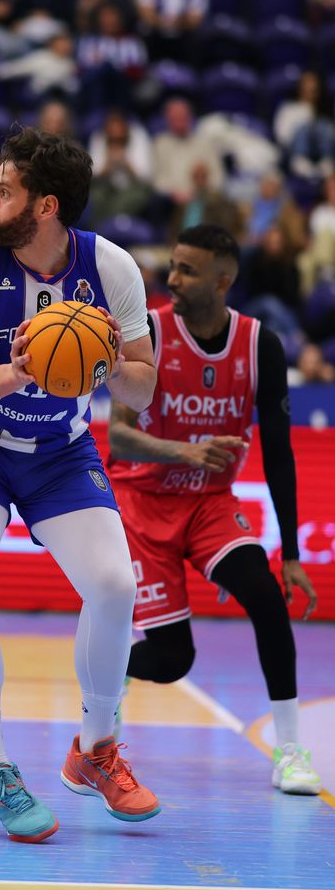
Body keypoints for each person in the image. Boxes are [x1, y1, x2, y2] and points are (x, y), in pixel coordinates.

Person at [0, 126, 160, 843]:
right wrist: (15, 371)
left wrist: (108, 364)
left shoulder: (112, 267)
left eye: (4, 190)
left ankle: (96, 748)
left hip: (61, 448)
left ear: (47, 206)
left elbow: (145, 389)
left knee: (116, 586)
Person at [107, 224, 321, 796]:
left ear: (224, 280)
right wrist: (185, 450)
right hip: (143, 500)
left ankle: (291, 749)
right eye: (172, 266)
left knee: (266, 597)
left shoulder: (261, 346)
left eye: (188, 270)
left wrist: (292, 556)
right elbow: (117, 439)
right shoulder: (147, 330)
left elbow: (279, 452)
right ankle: (108, 668)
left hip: (209, 504)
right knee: (174, 658)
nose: (172, 279)